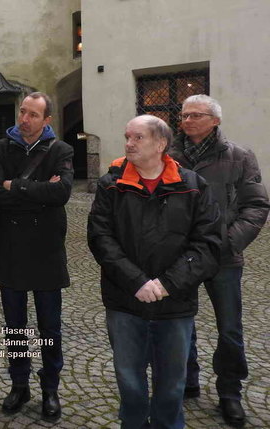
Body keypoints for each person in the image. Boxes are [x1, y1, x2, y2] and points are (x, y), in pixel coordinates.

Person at [87, 114, 221, 428]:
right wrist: (137, 282)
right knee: (130, 381)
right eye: (127, 137)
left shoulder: (192, 186)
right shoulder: (112, 184)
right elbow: (100, 238)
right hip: (125, 302)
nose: (128, 144)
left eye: (138, 137)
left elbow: (208, 244)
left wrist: (166, 283)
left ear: (160, 143)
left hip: (175, 305)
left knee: (172, 385)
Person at [168, 94, 270, 427]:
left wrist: (229, 242)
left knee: (229, 329)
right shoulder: (169, 156)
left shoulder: (239, 156)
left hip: (224, 257)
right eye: (184, 115)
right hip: (182, 255)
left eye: (196, 115)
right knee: (183, 322)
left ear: (215, 121)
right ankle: (188, 379)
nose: (188, 120)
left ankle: (230, 392)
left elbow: (256, 206)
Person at [0, 92, 73, 421]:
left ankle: (50, 389)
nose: (25, 119)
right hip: (10, 250)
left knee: (50, 328)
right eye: (23, 111)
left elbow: (61, 192)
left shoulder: (61, 150)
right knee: (16, 327)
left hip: (47, 251)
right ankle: (19, 384)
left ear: (46, 120)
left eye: (33, 115)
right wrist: (38, 191)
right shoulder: (0, 149)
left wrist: (16, 187)